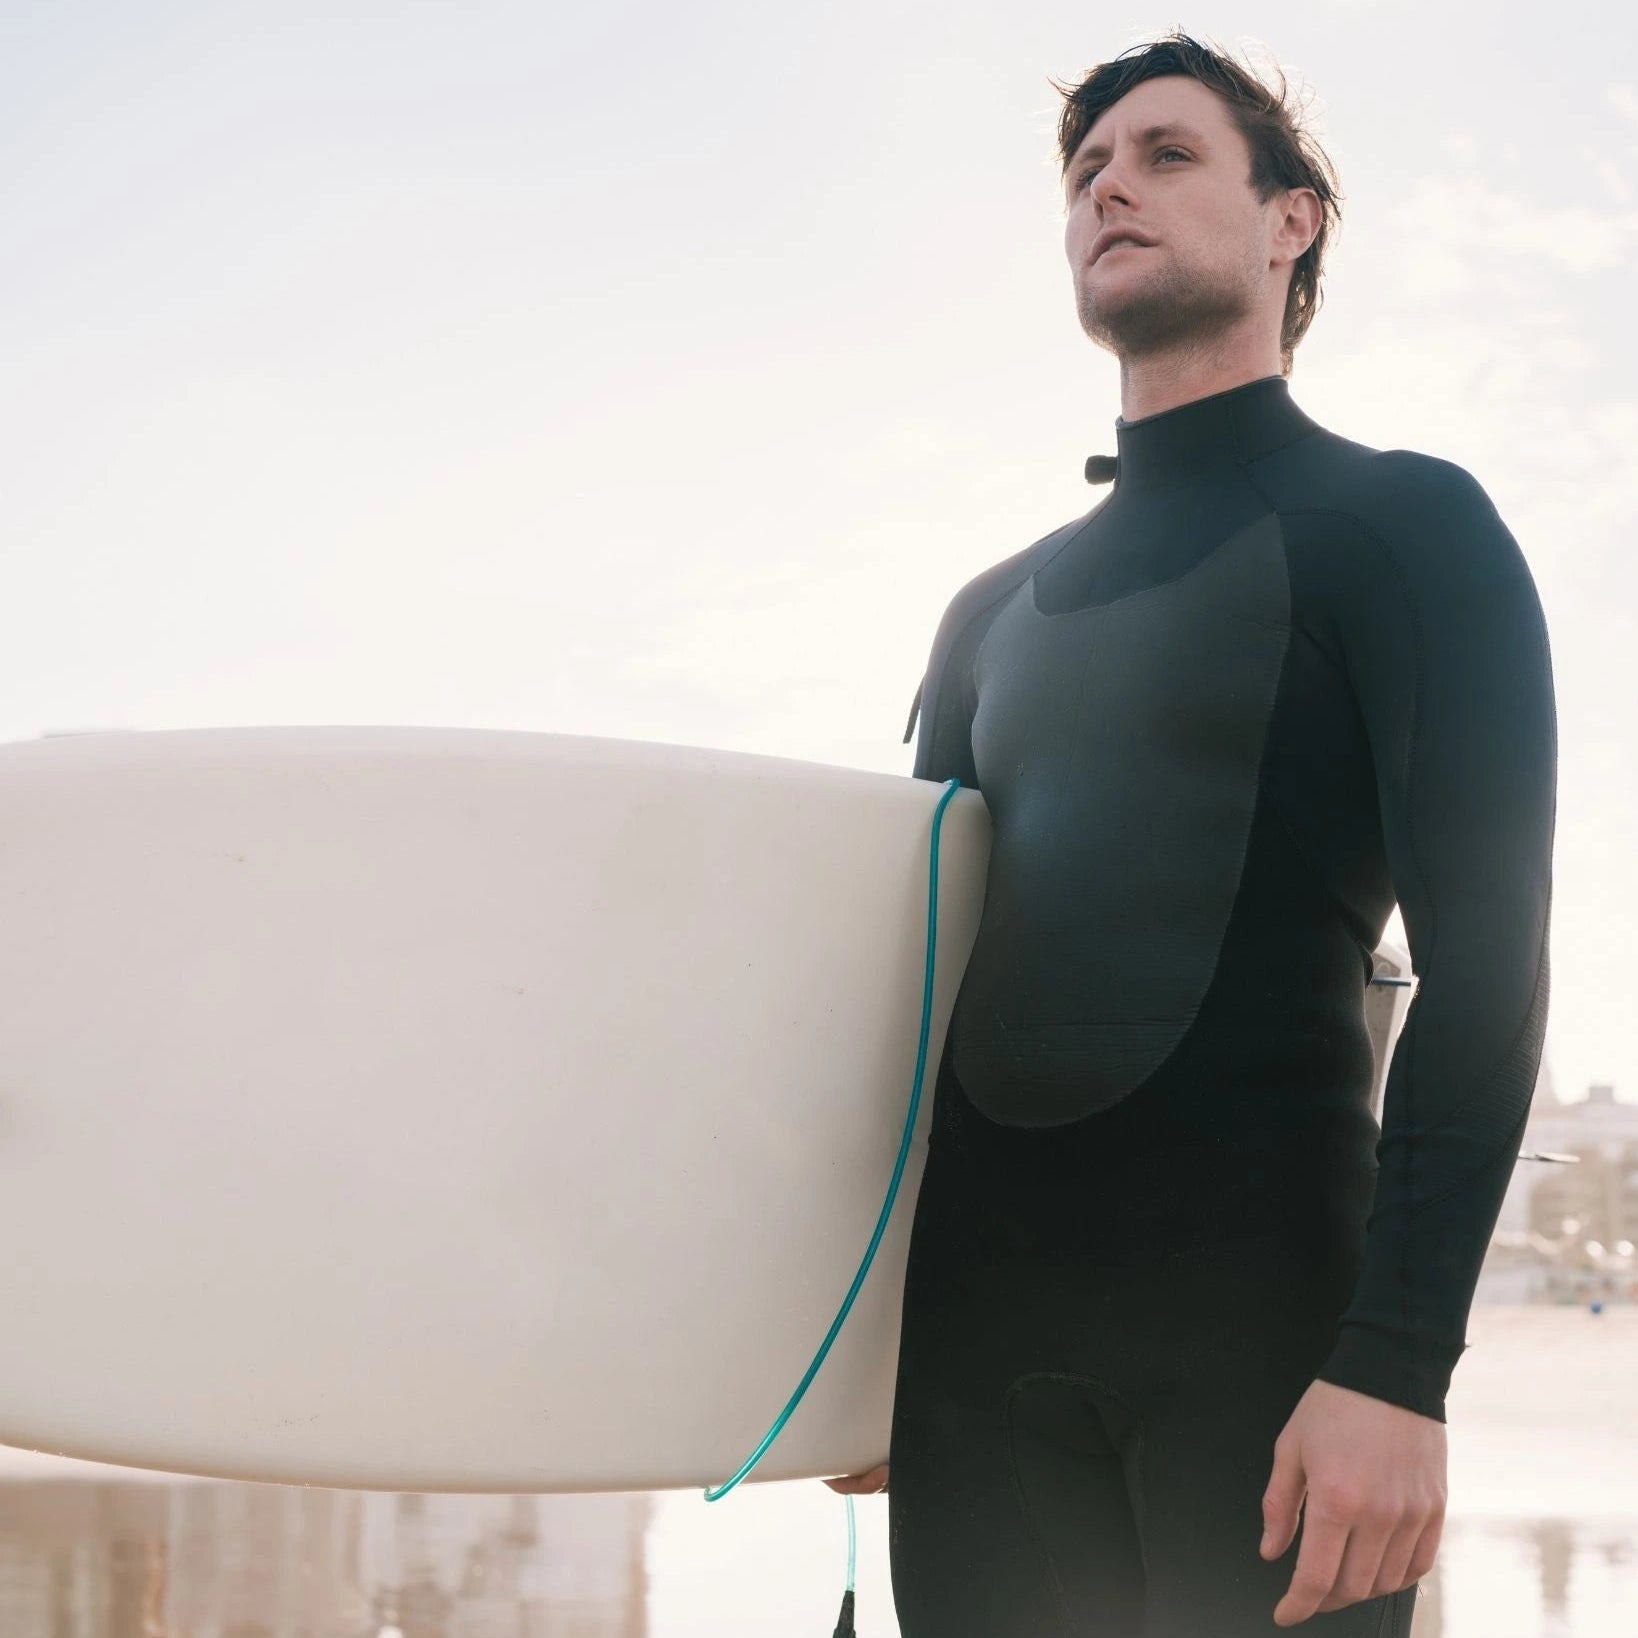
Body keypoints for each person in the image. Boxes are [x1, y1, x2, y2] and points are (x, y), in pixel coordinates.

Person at [824, 27, 1556, 1637]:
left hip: (1274, 1367)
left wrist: (1396, 1365)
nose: (1107, 190)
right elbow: (911, 1004)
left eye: (1163, 156)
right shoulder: (984, 613)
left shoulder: (1400, 527)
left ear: (1288, 222)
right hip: (971, 1382)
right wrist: (857, 1351)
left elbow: (1489, 970)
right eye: (1084, 172)